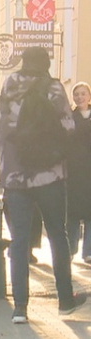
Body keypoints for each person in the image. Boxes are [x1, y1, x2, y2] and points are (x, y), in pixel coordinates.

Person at [0, 47, 85, 324]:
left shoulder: (9, 85)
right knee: (57, 234)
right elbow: (68, 127)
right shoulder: (54, 88)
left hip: (15, 178)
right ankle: (65, 300)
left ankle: (20, 307)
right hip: (49, 175)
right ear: (45, 63)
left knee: (19, 240)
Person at [67, 81, 91, 261]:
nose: (80, 97)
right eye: (77, 94)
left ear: (89, 96)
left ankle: (88, 251)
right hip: (74, 170)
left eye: (83, 94)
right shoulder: (70, 117)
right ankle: (71, 248)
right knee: (73, 211)